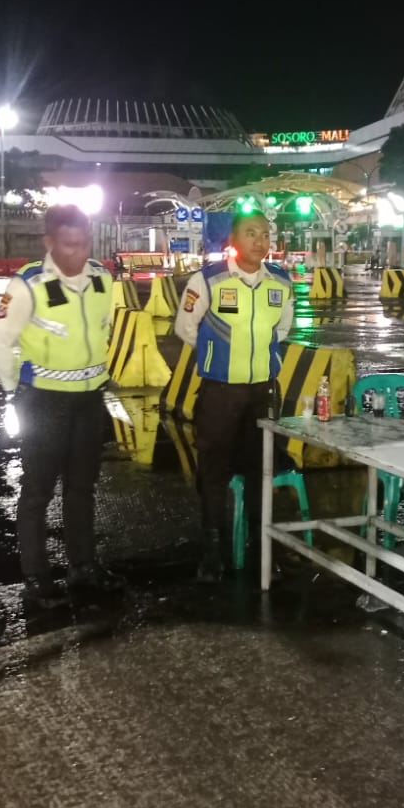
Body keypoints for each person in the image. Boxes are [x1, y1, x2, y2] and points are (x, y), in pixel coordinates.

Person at [0, 205, 119, 606]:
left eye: (84, 243)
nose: (78, 252)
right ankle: (37, 578)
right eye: (69, 244)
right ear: (49, 242)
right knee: (37, 491)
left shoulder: (103, 278)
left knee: (82, 487)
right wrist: (17, 388)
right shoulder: (29, 284)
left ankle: (83, 567)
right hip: (43, 402)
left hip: (89, 400)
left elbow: (105, 328)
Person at [174, 212, 294, 580]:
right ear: (234, 240)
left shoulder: (280, 281)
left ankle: (259, 547)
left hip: (262, 392)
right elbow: (186, 328)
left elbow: (282, 328)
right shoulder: (208, 279)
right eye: (251, 233)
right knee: (214, 472)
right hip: (220, 394)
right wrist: (219, 358)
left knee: (261, 470)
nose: (260, 241)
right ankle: (213, 551)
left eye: (265, 234)